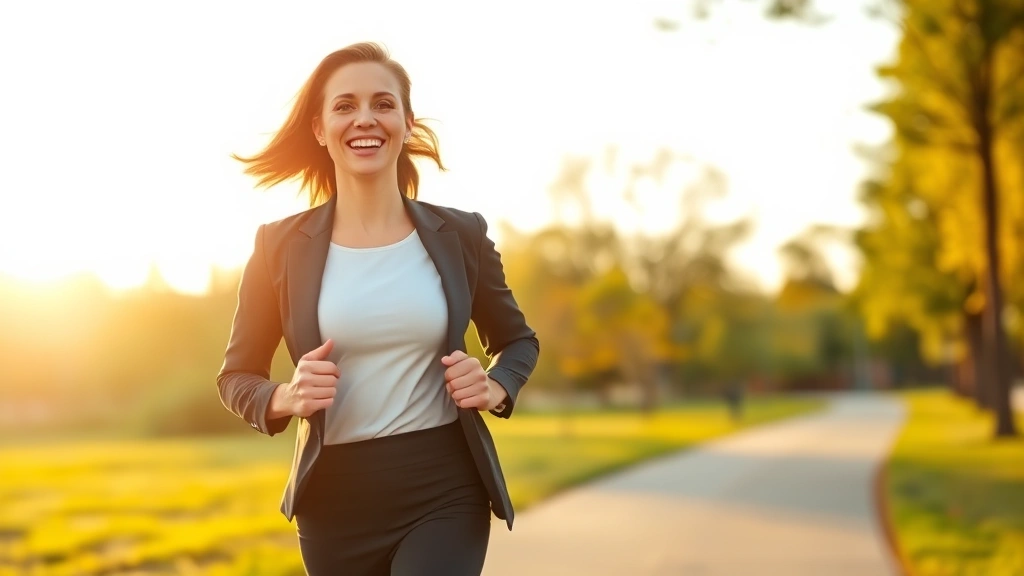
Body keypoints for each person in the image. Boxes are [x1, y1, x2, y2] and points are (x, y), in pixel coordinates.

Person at [216, 42, 539, 575]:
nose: (365, 118)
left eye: (382, 104)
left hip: (444, 486)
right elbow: (236, 376)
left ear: (407, 122)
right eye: (344, 105)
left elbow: (518, 340)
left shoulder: (460, 234)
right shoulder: (279, 247)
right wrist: (285, 396)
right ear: (319, 127)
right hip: (334, 502)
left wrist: (496, 385)